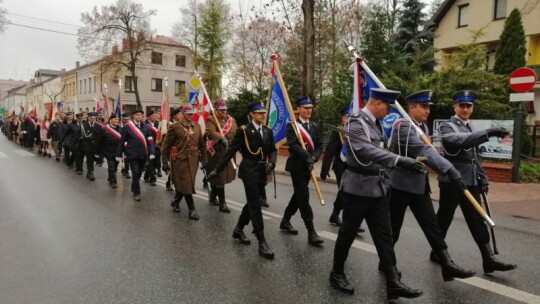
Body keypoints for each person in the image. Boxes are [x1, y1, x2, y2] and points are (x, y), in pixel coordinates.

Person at [329, 88, 424, 300]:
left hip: (378, 187)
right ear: (378, 103)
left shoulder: (376, 124)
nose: (389, 111)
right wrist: (399, 160)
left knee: (384, 235)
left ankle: (393, 282)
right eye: (388, 106)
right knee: (348, 232)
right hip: (358, 188)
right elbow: (365, 150)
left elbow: (383, 150)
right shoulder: (356, 122)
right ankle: (336, 272)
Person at [387, 90, 475, 282]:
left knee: (432, 226)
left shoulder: (422, 127)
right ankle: (386, 264)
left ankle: (447, 264)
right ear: (411, 108)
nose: (427, 110)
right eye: (424, 107)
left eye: (428, 107)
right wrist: (449, 169)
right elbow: (424, 150)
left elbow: (428, 153)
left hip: (419, 186)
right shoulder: (403, 126)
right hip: (400, 187)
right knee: (394, 229)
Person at [436, 90, 517, 274]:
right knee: (444, 219)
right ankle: (438, 252)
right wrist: (487, 133)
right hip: (452, 180)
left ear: (472, 108)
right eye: (461, 105)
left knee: (477, 219)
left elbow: (475, 156)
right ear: (455, 106)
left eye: (468, 106)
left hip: (470, 180)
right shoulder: (447, 126)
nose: (465, 109)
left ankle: (488, 258)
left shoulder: (470, 127)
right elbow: (458, 142)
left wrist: (482, 177)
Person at [208, 102, 277, 259]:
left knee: (255, 201)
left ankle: (238, 229)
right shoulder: (244, 131)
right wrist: (217, 170)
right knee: (255, 204)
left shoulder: (267, 131)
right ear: (251, 114)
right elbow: (230, 151)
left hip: (262, 171)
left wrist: (272, 162)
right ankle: (262, 241)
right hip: (249, 170)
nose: (263, 115)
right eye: (259, 113)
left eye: (264, 113)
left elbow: (272, 150)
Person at [280, 97, 324, 246]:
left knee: (298, 195)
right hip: (297, 166)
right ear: (298, 109)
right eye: (305, 108)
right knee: (303, 197)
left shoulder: (314, 126)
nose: (309, 110)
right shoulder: (292, 126)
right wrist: (307, 157)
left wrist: (314, 158)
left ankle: (285, 220)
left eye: (310, 108)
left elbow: (319, 146)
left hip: (308, 166)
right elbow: (293, 145)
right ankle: (311, 232)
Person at [320, 107, 365, 233]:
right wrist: (324, 169)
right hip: (340, 166)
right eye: (346, 117)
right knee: (346, 192)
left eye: (350, 117)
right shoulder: (338, 132)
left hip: (351, 166)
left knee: (344, 192)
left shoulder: (355, 132)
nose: (348, 120)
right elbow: (330, 150)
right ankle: (350, 223)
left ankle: (335, 215)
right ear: (342, 118)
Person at [161, 106, 206, 220]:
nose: (190, 115)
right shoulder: (175, 127)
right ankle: (192, 209)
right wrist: (164, 162)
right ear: (182, 113)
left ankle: (176, 201)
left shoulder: (197, 127)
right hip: (180, 160)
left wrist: (204, 160)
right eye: (188, 113)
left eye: (191, 113)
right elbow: (165, 146)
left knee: (187, 184)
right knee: (187, 184)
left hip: (193, 160)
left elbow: (202, 145)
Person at [116, 109, 156, 201]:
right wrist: (119, 154)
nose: (139, 116)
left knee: (139, 173)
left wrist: (152, 152)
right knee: (135, 172)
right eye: (137, 115)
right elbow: (122, 141)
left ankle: (134, 186)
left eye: (141, 115)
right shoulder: (127, 127)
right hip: (132, 154)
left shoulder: (146, 127)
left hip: (143, 154)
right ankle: (137, 193)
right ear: (133, 116)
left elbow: (150, 141)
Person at [205, 100, 237, 213]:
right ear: (216, 110)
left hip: (229, 151)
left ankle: (213, 196)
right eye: (221, 110)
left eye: (224, 109)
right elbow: (210, 132)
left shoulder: (232, 120)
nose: (223, 111)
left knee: (221, 177)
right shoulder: (211, 119)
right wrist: (221, 138)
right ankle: (222, 204)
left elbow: (236, 133)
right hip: (217, 152)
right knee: (220, 177)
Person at [99, 114, 122, 188]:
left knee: (115, 167)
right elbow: (100, 141)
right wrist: (100, 153)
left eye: (118, 119)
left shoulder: (121, 129)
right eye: (115, 119)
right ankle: (113, 182)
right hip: (108, 152)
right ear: (110, 120)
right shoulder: (104, 129)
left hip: (118, 152)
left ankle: (110, 177)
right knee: (111, 167)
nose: (117, 121)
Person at [81, 112, 104, 181]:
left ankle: (89, 171)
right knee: (90, 159)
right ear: (88, 118)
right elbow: (85, 135)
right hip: (87, 146)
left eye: (94, 118)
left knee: (95, 159)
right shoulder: (84, 125)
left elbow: (101, 137)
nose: (93, 119)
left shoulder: (99, 126)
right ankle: (90, 172)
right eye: (91, 118)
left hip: (96, 146)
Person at [143, 110, 160, 186]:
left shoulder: (158, 123)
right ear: (148, 116)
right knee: (151, 162)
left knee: (156, 162)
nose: (154, 117)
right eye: (153, 115)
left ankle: (146, 175)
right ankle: (153, 179)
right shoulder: (144, 124)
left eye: (155, 115)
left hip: (157, 146)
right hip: (148, 146)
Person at [120, 113, 131, 179]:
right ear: (122, 119)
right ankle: (123, 168)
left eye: (127, 119)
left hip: (128, 144)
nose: (126, 121)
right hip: (121, 144)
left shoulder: (130, 126)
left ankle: (126, 171)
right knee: (122, 158)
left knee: (127, 158)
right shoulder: (119, 126)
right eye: (125, 119)